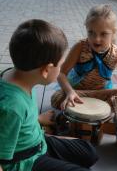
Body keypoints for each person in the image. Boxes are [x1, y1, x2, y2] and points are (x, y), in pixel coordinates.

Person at [0, 19, 98, 171]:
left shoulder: (16, 75)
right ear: (46, 70)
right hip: (25, 162)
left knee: (89, 152)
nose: (61, 70)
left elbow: (14, 121)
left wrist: (37, 119)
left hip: (38, 142)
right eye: (60, 65)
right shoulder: (12, 106)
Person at [50, 4, 117, 122]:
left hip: (101, 93)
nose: (96, 39)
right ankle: (100, 111)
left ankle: (100, 112)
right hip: (78, 93)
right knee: (57, 97)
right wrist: (70, 92)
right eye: (91, 32)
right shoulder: (80, 47)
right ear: (86, 29)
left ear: (113, 33)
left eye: (103, 34)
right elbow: (61, 74)